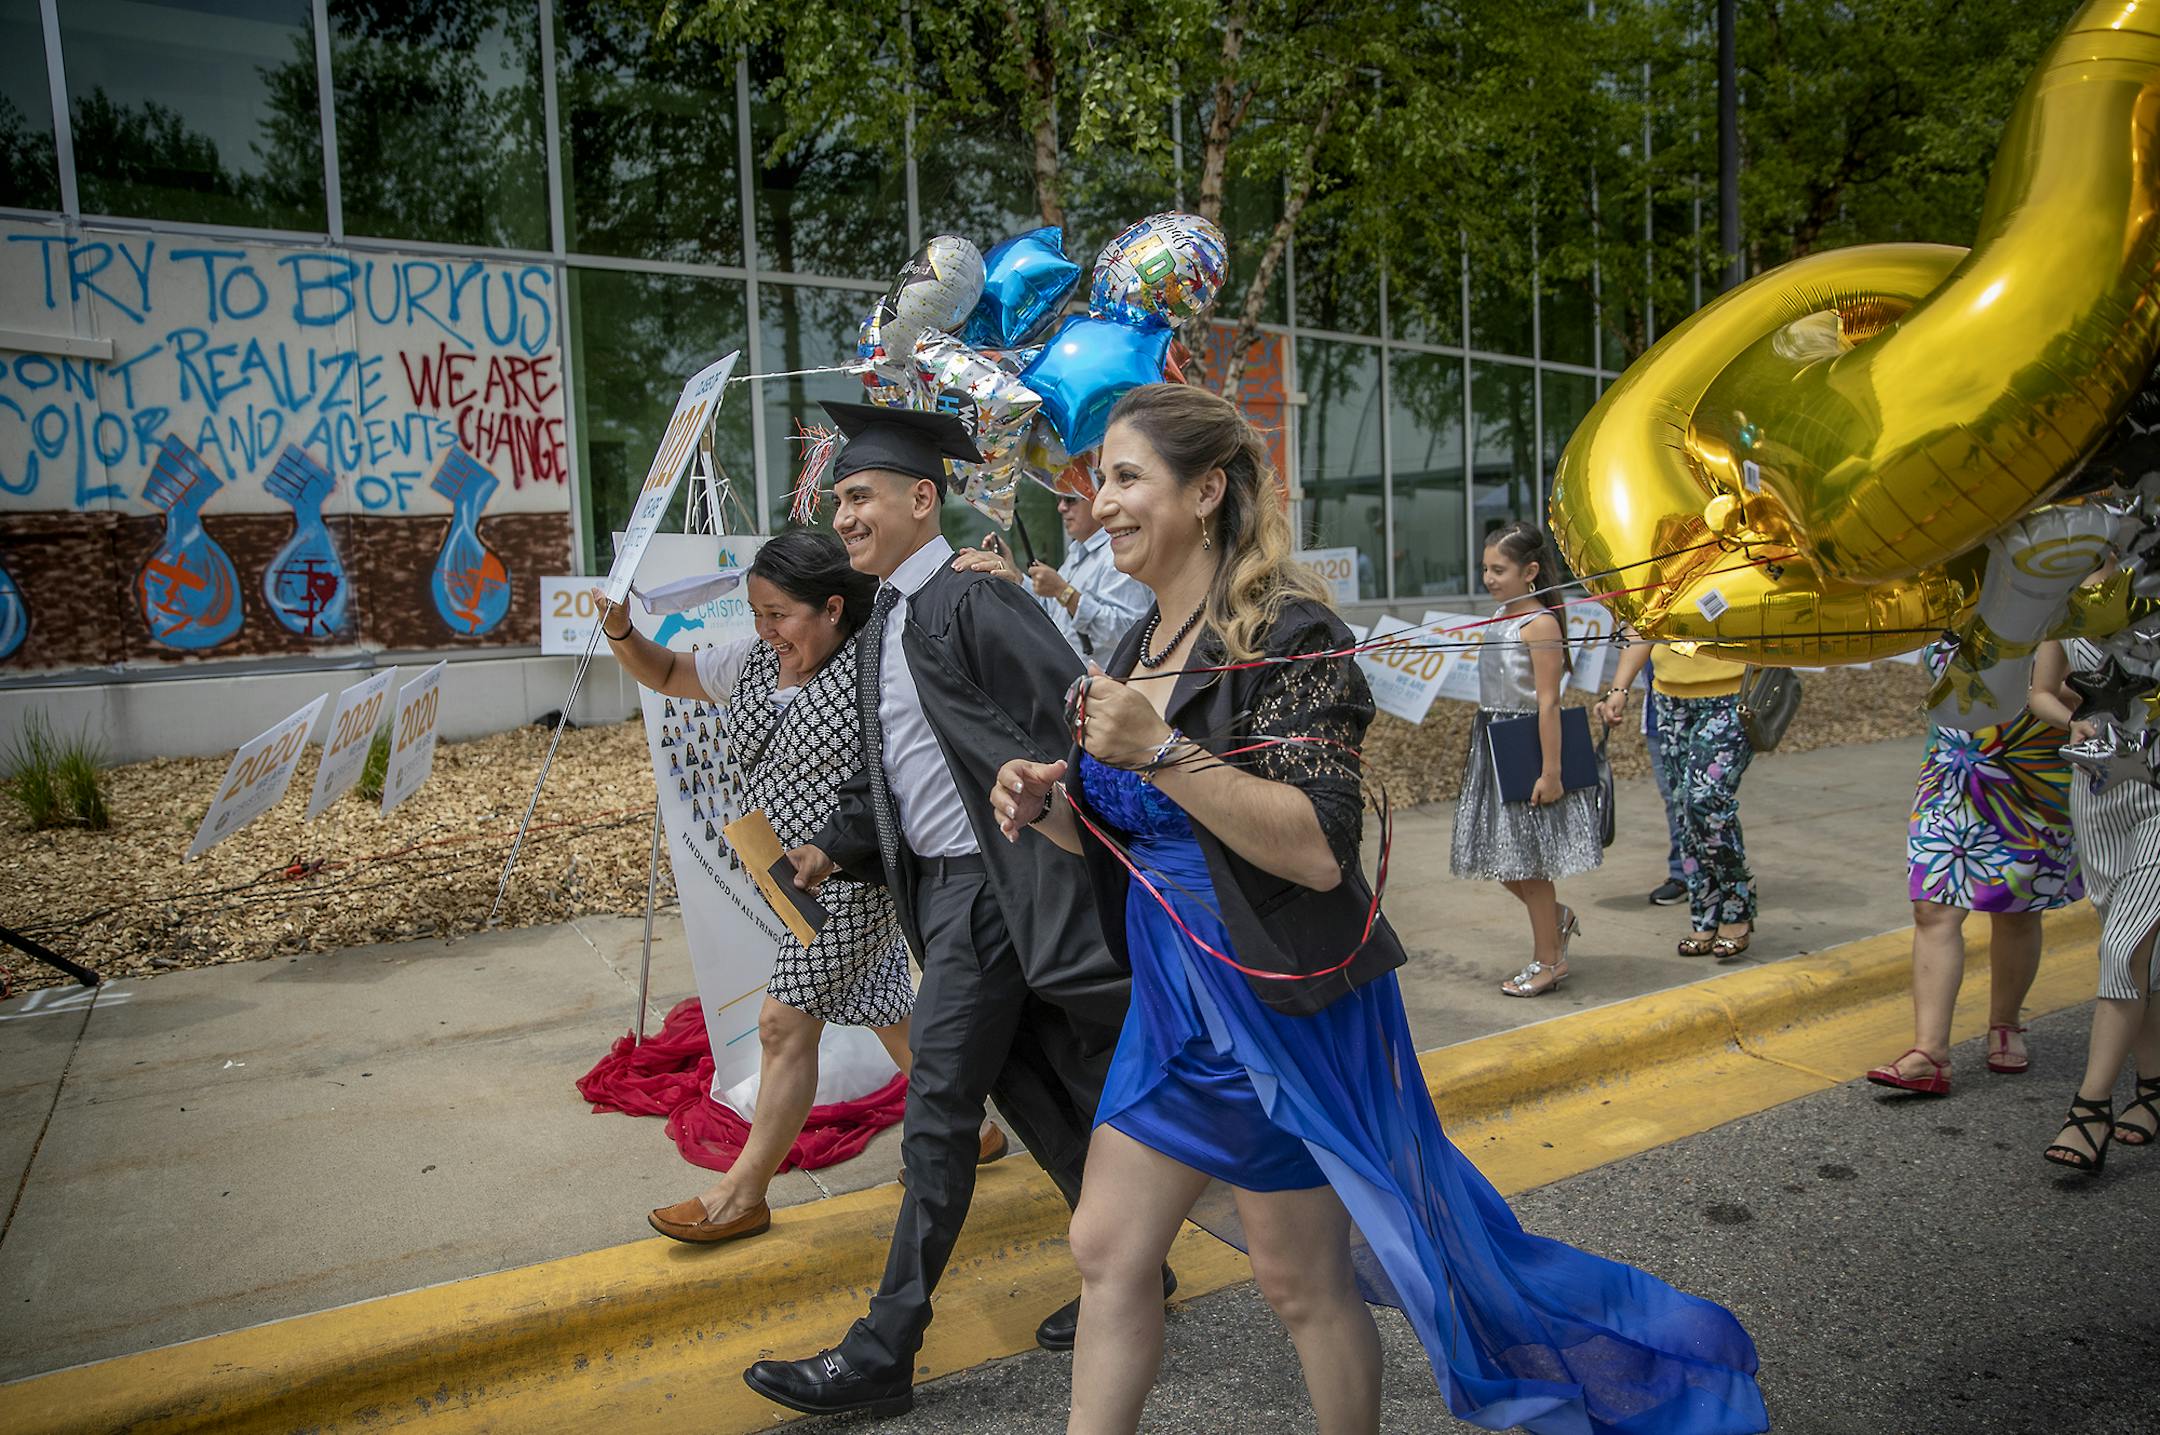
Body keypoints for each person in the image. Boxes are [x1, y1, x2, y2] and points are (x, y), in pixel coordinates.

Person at [993, 383, 1767, 1435]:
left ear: (1207, 489)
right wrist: (1047, 808)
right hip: (1176, 1004)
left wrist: (1162, 749)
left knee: (1299, 1277)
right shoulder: (1133, 642)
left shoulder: (1289, 634)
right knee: (1106, 1247)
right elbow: (1139, 838)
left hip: (1278, 1007)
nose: (1105, 501)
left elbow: (1314, 852)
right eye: (1103, 479)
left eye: (1129, 477)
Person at [742, 402, 1136, 1419]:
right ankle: (1136, 1260)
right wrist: (835, 845)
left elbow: (1075, 719)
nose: (846, 517)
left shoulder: (972, 601)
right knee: (1034, 1087)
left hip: (998, 886)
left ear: (924, 499)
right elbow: (902, 769)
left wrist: (1057, 829)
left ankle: (884, 1349)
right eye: (839, 500)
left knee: (939, 1111)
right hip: (949, 893)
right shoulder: (886, 621)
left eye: (861, 497)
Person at [595, 530, 1008, 1245]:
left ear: (832, 607)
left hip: (857, 880)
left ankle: (741, 1194)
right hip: (788, 878)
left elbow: (919, 756)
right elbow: (666, 673)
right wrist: (624, 631)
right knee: (883, 1003)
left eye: (779, 613)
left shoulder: (879, 668)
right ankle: (967, 1128)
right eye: (757, 612)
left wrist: (996, 579)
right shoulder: (752, 662)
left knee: (783, 1024)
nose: (765, 630)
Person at [1866, 638, 2090, 1095]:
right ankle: (1929, 1053)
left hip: (2031, 770)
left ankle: (2004, 1023)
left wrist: (2055, 692)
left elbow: (2100, 687)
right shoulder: (1940, 593)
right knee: (1932, 908)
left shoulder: (2047, 588)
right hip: (1952, 771)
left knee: (2018, 909)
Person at [1450, 520, 1604, 997]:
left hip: (1525, 745)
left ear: (1531, 571)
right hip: (1491, 741)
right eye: (1485, 569)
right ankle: (1554, 920)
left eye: (1500, 569)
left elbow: (1548, 702)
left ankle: (1549, 961)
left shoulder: (1540, 624)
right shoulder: (1498, 617)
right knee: (1496, 856)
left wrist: (1551, 771)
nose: (1490, 578)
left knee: (1528, 864)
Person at [2036, 638, 2160, 1173]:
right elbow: (2040, 691)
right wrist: (2072, 721)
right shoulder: (2066, 595)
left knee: (2122, 946)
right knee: (2139, 957)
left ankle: (2090, 1109)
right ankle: (2154, 1089)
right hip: (2097, 797)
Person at [1597, 633, 1757, 959]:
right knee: (1684, 809)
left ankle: (1737, 904)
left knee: (1706, 800)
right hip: (1670, 700)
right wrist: (1619, 689)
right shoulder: (1660, 580)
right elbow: (1644, 627)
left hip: (1732, 695)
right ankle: (1705, 915)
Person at [959, 490, 1150, 659]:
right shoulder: (1077, 553)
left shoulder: (1115, 556)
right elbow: (1052, 613)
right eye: (1059, 500)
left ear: (1097, 500)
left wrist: (1064, 592)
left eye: (1070, 499)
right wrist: (1015, 574)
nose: (1061, 507)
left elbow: (1127, 632)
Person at [1643, 654, 1691, 905]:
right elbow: (1637, 636)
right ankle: (1683, 874)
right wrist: (1618, 689)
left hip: (1715, 706)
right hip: (1662, 713)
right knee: (1675, 799)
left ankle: (1716, 878)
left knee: (1706, 799)